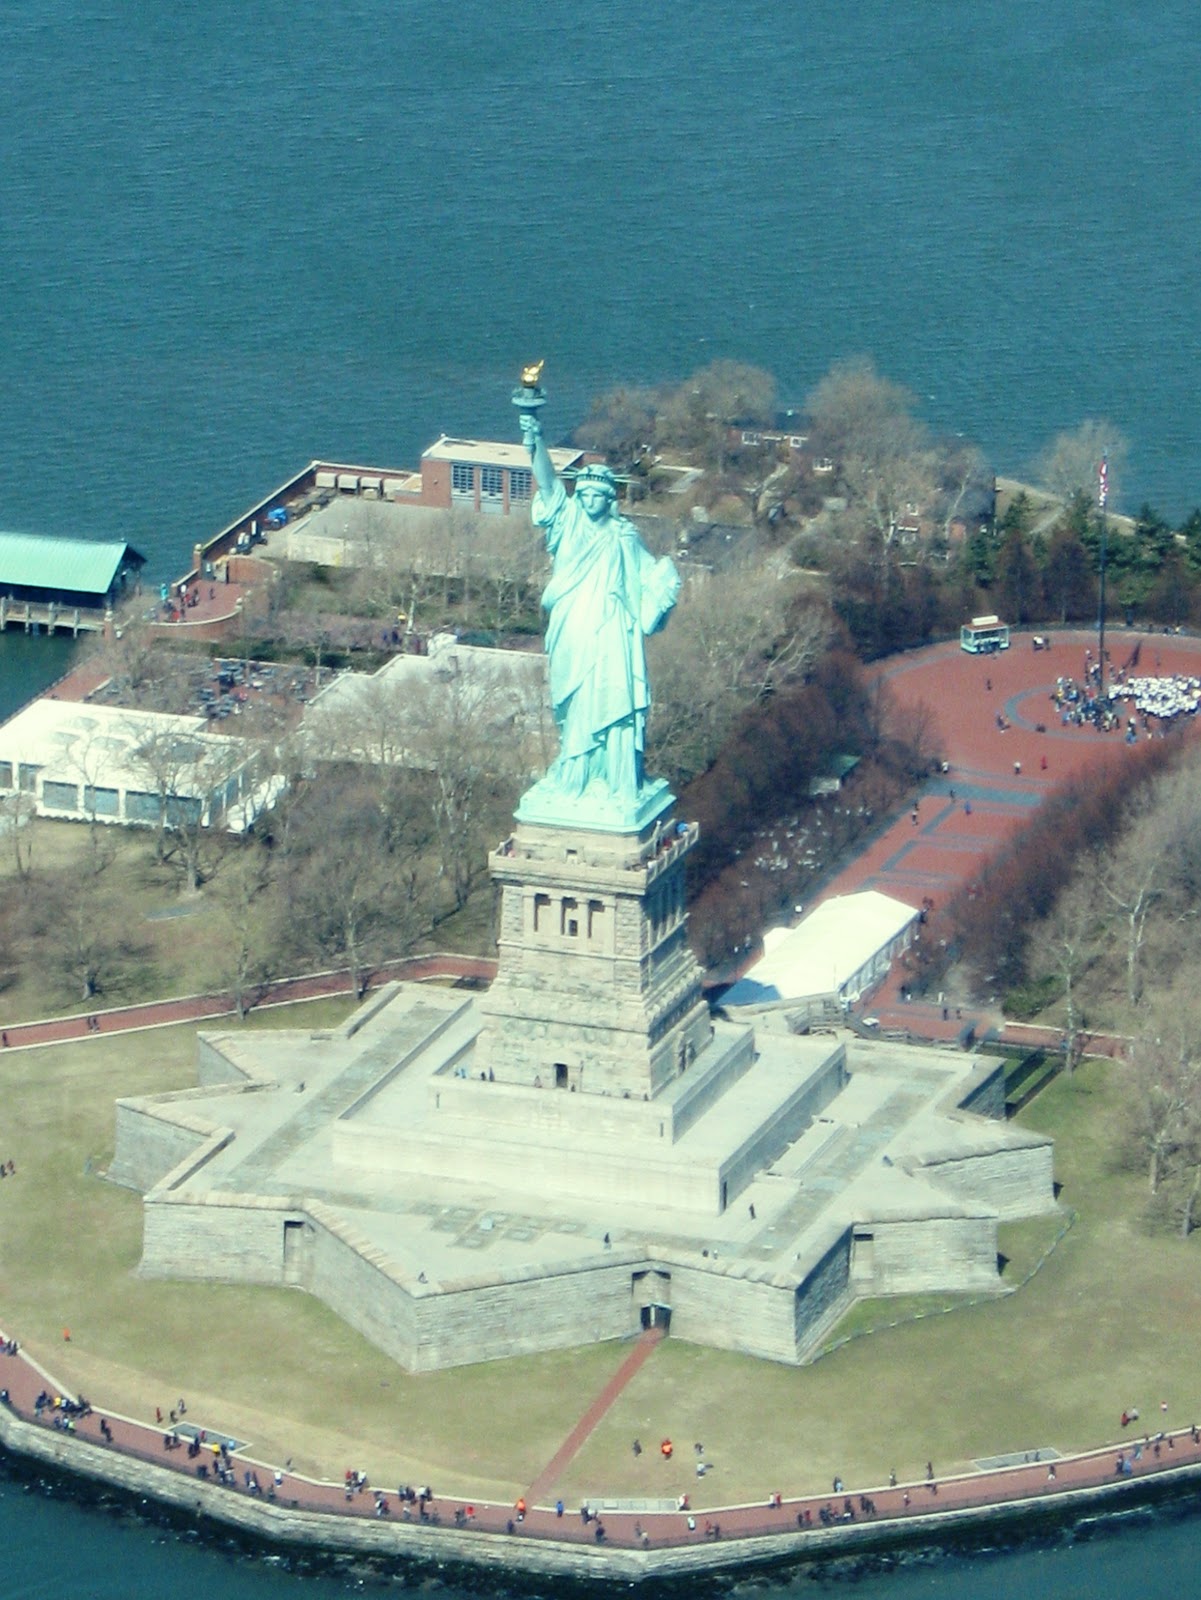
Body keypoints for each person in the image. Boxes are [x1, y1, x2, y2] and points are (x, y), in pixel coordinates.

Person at [518, 407, 681, 805]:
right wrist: (535, 438)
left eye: (598, 495)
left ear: (609, 500)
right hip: (572, 625)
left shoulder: (625, 536)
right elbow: (548, 482)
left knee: (609, 698)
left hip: (611, 633)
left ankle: (611, 775)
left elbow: (649, 578)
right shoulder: (567, 521)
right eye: (585, 494)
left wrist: (667, 584)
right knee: (574, 701)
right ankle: (574, 769)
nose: (589, 500)